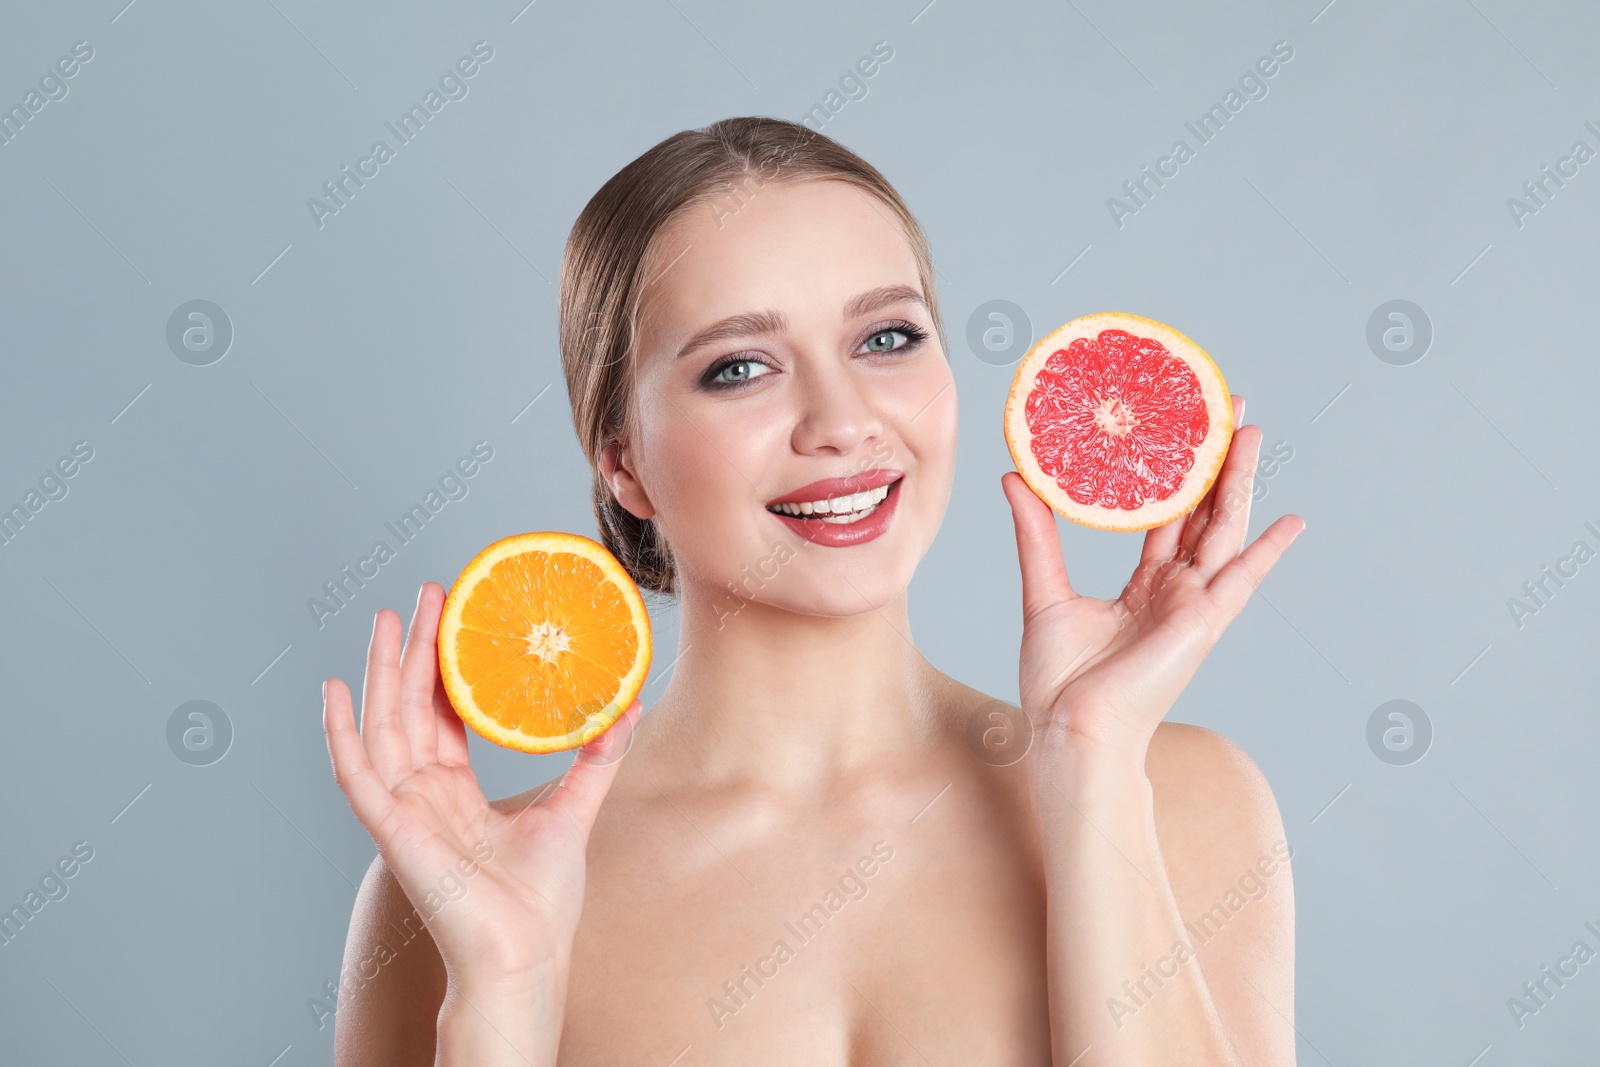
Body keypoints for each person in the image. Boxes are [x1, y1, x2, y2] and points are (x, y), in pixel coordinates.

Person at [321, 116, 1305, 1065]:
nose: (842, 421)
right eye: (739, 367)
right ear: (622, 461)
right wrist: (502, 989)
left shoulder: (1184, 801)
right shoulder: (462, 881)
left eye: (885, 338)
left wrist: (1092, 773)